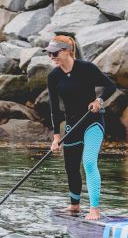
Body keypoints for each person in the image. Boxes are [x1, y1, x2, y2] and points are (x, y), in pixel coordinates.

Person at [46, 35, 117, 220]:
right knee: (71, 166)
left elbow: (110, 86)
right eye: (49, 53)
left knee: (89, 162)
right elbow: (55, 109)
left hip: (92, 121)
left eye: (55, 52)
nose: (51, 56)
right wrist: (55, 138)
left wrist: (98, 100)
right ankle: (74, 206)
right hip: (72, 125)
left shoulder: (86, 69)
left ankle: (94, 209)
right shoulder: (53, 77)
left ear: (68, 51)